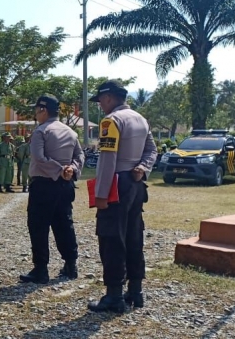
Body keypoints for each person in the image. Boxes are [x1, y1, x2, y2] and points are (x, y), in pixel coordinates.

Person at [86, 80, 157, 313]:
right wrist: (143, 168)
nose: (101, 106)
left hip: (117, 184)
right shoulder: (141, 119)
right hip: (136, 184)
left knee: (111, 238)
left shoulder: (111, 121)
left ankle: (114, 295)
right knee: (134, 236)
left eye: (101, 101)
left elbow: (108, 159)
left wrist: (101, 194)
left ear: (108, 98)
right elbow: (151, 150)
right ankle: (135, 291)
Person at [19, 95, 83, 285]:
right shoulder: (70, 132)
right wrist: (71, 169)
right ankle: (71, 265)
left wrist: (59, 170)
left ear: (42, 110)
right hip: (65, 185)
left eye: (36, 110)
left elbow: (38, 157)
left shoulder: (41, 131)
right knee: (64, 223)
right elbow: (79, 154)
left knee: (38, 226)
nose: (35, 114)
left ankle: (41, 269)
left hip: (44, 185)